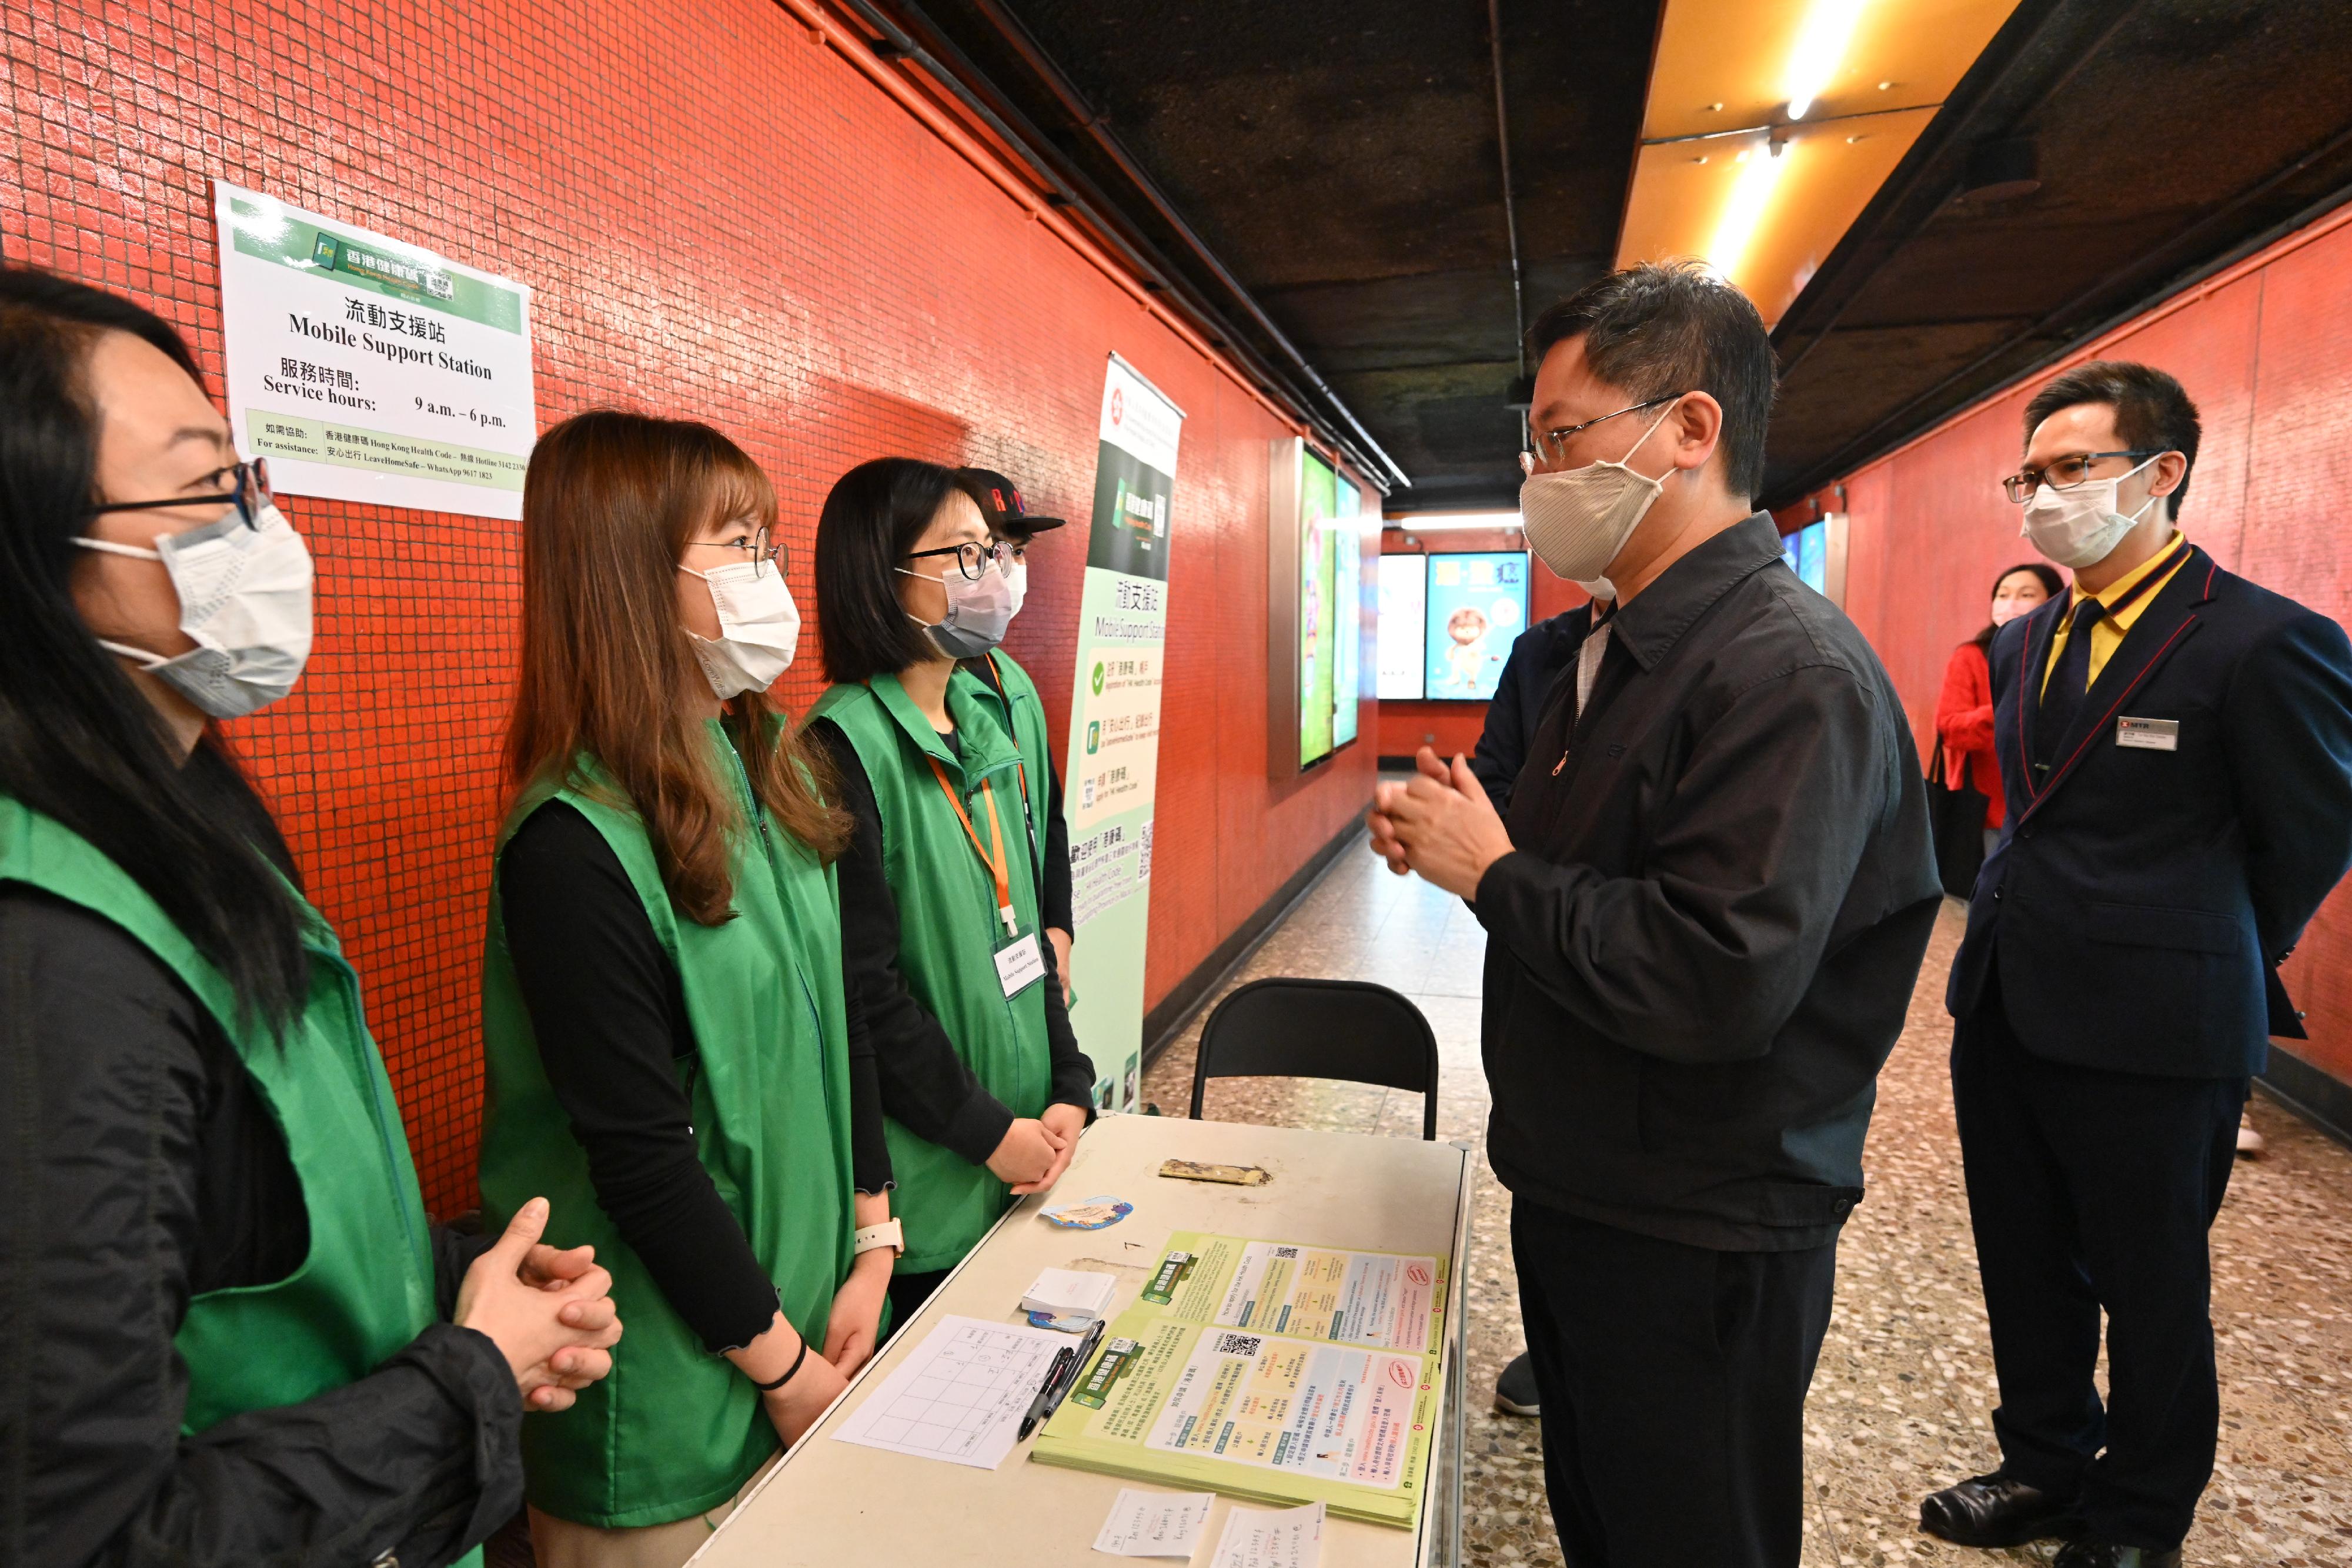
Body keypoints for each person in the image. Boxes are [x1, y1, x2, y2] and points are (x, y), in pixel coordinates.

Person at [0, 268, 621, 1567]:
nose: (263, 525)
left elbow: (241, 1233)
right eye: (206, 485)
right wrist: (466, 1378)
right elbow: (89, 1534)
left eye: (248, 476)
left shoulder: (187, 835)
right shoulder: (51, 958)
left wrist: (453, 1281)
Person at [1368, 260, 1940, 1568]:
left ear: (1689, 428)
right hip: (1586, 1177)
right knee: (1602, 1516)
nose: (1541, 477)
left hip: (1698, 1220)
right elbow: (1564, 855)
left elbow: (1714, 975)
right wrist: (1470, 843)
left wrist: (1494, 873)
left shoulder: (1785, 672)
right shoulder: (1616, 650)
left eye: (1563, 437)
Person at [1923, 362, 2352, 1568]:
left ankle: (2138, 1515)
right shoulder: (2026, 640)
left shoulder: (2262, 639)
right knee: (2022, 1259)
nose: (2043, 496)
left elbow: (2310, 833)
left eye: (2072, 468)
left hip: (2158, 1023)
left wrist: (2209, 944)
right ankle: (2042, 1460)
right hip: (2005, 999)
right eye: (2029, 475)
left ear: (2162, 472)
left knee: (2150, 1283)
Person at [477, 412, 899, 1567]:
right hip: (670, 1393)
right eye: (739, 547)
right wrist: (784, 1366)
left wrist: (872, 1243)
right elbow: (641, 1159)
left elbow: (844, 1022)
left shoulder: (768, 771)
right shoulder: (572, 842)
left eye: (768, 544)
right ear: (628, 579)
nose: (771, 578)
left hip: (802, 1325)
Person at [807, 458, 1095, 1326]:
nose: (993, 575)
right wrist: (986, 1132)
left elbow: (1023, 936)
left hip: (1029, 1152)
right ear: (881, 573)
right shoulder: (841, 748)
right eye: (965, 554)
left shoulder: (981, 721)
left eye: (993, 552)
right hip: (936, 1184)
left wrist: (1069, 1081)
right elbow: (866, 994)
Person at [1463, 598, 1582, 1422]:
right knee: (1537, 1169)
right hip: (1528, 965)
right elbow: (1490, 784)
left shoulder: (1765, 656)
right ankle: (1553, 1341)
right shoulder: (1543, 651)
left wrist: (1518, 862)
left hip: (1628, 986)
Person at [951, 466, 1078, 1013]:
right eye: (987, 550)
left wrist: (1060, 929)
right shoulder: (929, 695)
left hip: (1036, 950)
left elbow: (1046, 817)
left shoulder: (1015, 681)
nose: (1008, 568)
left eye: (1017, 552)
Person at [1936, 563, 2064, 860]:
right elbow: (1950, 728)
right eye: (2003, 595)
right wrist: (2009, 707)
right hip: (1990, 807)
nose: (2011, 604)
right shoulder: (1971, 656)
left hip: (2053, 804)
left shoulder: (2068, 656)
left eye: (2026, 595)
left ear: (2054, 601)